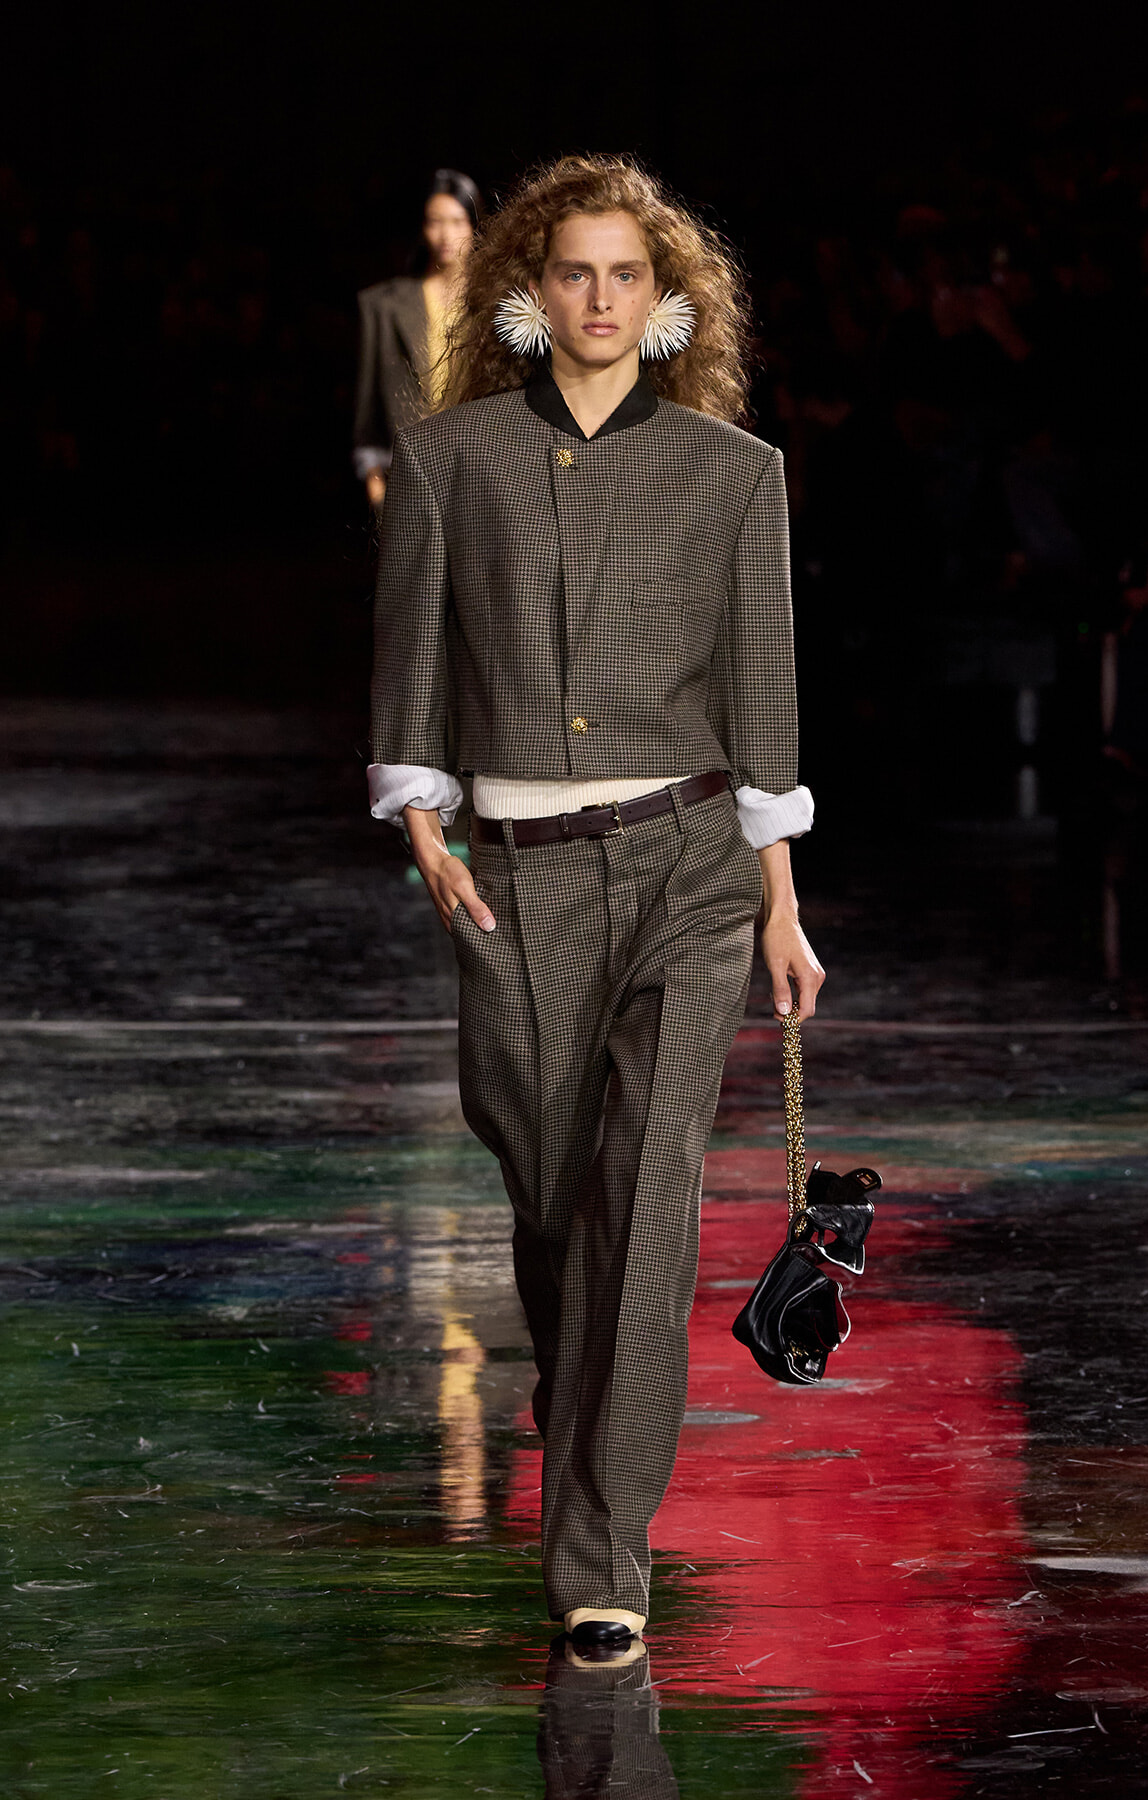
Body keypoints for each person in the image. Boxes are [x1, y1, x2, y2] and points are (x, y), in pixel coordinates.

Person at [368, 155, 824, 1650]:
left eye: (630, 274)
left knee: (650, 1203)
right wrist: (421, 812)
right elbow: (416, 663)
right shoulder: (454, 461)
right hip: (513, 888)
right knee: (560, 1208)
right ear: (528, 289)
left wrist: (780, 900)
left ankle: (600, 1562)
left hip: (690, 873)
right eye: (574, 272)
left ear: (669, 296)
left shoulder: (730, 472)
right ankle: (583, 1441)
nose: (602, 299)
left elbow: (760, 699)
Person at [352, 168, 482, 509]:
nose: (445, 234)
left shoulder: (494, 304)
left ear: (474, 225)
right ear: (422, 227)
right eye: (435, 221)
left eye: (456, 221)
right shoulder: (384, 306)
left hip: (479, 471)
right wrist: (373, 478)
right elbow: (368, 407)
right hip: (408, 473)